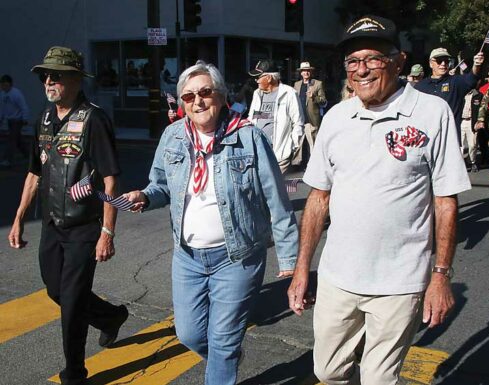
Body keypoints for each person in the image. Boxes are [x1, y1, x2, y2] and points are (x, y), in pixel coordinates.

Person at [287, 15, 471, 385]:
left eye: (373, 59)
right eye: (353, 62)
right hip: (338, 277)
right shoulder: (337, 118)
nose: (362, 70)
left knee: (378, 379)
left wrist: (441, 276)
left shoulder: (431, 113)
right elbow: (318, 199)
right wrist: (301, 268)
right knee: (327, 370)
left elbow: (445, 202)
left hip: (400, 281)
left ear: (398, 61)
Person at [124, 60, 298, 384]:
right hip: (187, 256)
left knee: (223, 338)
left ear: (220, 95)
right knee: (189, 334)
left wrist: (289, 257)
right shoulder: (173, 136)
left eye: (204, 92)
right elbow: (160, 184)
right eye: (188, 96)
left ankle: (225, 358)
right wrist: (145, 197)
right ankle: (227, 356)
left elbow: (277, 198)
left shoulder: (248, 137)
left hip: (238, 257)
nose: (197, 101)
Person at [7, 46, 129, 385]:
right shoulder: (44, 119)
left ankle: (74, 373)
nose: (49, 81)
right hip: (51, 224)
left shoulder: (94, 119)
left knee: (72, 303)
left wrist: (108, 231)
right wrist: (18, 217)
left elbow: (110, 178)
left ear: (76, 79)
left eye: (56, 75)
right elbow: (34, 173)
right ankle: (110, 316)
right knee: (56, 290)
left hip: (83, 227)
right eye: (45, 76)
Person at [414, 47, 483, 144]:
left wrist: (476, 65)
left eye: (446, 61)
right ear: (431, 63)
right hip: (426, 139)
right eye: (439, 61)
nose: (443, 64)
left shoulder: (456, 82)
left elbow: (472, 78)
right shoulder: (420, 86)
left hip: (449, 140)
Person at [247, 59, 304, 174]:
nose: (256, 80)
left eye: (258, 77)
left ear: (268, 78)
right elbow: (253, 117)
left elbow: (298, 122)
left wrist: (292, 146)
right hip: (258, 151)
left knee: (277, 189)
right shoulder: (257, 94)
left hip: (280, 154)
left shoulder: (289, 93)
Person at [293, 61, 327, 164]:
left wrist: (314, 97)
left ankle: (314, 163)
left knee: (313, 143)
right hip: (299, 118)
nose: (306, 73)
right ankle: (297, 164)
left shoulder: (317, 83)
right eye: (304, 71)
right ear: (301, 73)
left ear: (311, 72)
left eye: (308, 71)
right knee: (298, 143)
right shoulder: (297, 84)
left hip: (311, 118)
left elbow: (323, 101)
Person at [0, 74, 30, 167]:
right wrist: (1, 118)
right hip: (10, 120)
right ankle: (29, 156)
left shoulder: (16, 94)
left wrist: (25, 118)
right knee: (18, 140)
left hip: (17, 120)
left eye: (5, 85)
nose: (4, 87)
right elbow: (3, 108)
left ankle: (8, 159)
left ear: (10, 84)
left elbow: (23, 106)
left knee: (12, 139)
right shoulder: (2, 94)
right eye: (2, 85)